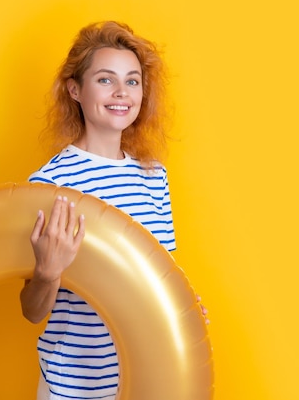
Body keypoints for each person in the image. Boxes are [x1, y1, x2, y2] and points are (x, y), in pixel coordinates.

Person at [20, 21, 201, 400]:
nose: (122, 93)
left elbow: (163, 278)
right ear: (75, 89)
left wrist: (185, 309)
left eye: (133, 81)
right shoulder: (49, 184)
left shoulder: (154, 177)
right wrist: (47, 272)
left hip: (145, 380)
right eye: (105, 80)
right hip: (71, 388)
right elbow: (33, 311)